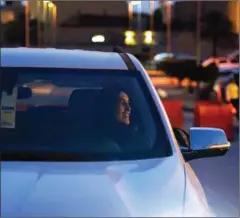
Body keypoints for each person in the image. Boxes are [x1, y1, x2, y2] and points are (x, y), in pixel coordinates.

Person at [94, 85, 143, 151]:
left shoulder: (138, 137)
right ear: (110, 107)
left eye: (128, 103)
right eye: (123, 103)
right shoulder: (100, 143)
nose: (128, 108)